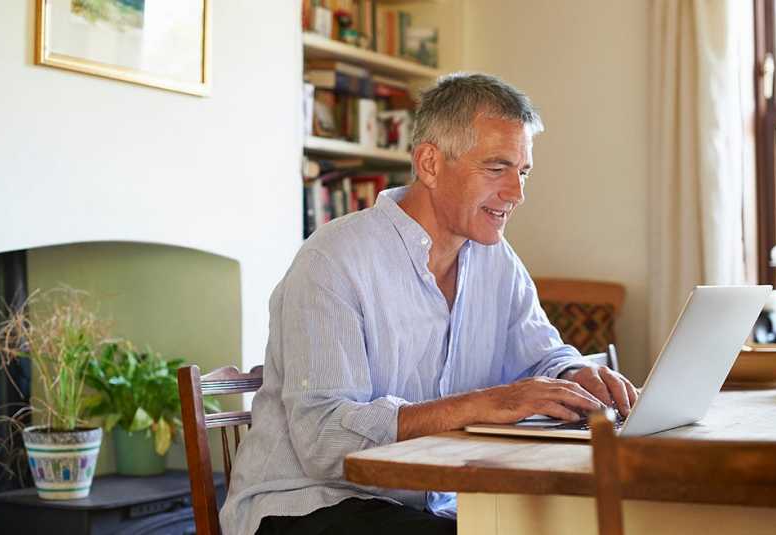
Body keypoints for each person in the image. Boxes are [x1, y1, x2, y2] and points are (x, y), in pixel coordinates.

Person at [221, 73, 639, 535]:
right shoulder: (333, 260)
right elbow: (324, 439)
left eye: (522, 172)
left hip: (426, 504)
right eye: (497, 168)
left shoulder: (496, 260)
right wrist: (483, 404)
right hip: (306, 505)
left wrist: (574, 375)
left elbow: (542, 354)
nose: (517, 193)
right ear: (430, 163)